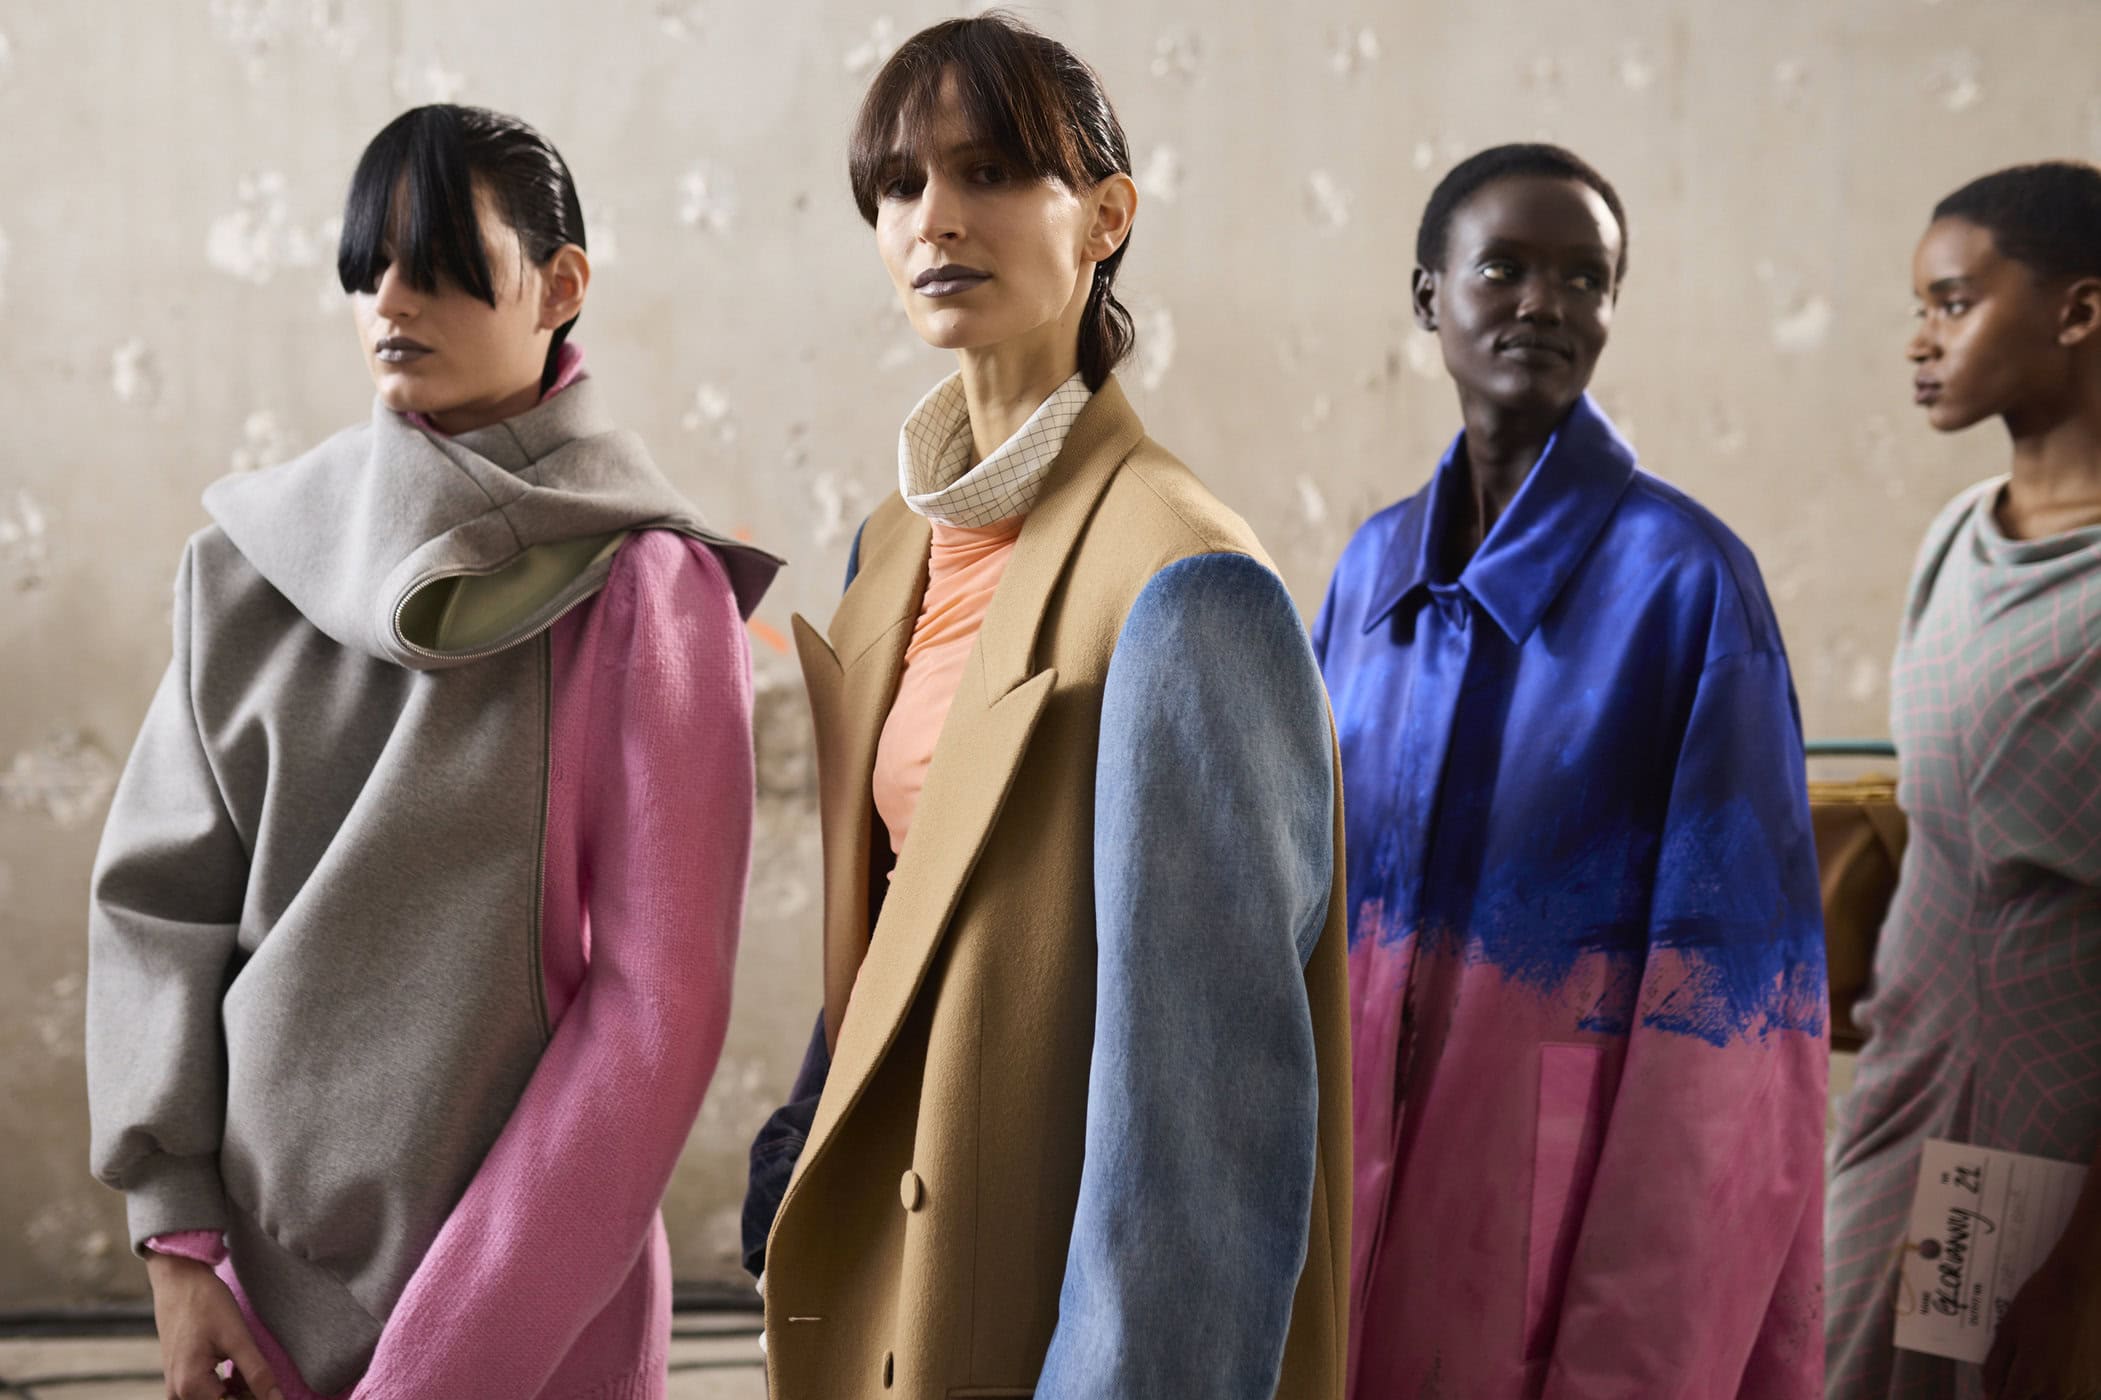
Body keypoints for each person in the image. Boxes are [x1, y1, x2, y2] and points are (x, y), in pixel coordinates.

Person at [85, 103, 779, 1400]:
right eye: (370, 265)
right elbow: (159, 906)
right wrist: (176, 1241)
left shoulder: (647, 586)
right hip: (254, 1306)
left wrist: (444, 1364)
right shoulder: (242, 567)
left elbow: (655, 1015)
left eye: (445, 264)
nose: (393, 299)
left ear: (561, 288)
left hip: (533, 1311)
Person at [740, 15, 1349, 1398]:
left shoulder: (1186, 582)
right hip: (886, 1292)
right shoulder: (890, 548)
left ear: (1106, 217)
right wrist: (801, 1137)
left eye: (991, 172)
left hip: (1037, 1319)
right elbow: (901, 920)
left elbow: (1203, 1155)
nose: (935, 218)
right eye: (898, 184)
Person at [1315, 143, 1828, 1398]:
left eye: (1583, 278)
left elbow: (1731, 1033)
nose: (1544, 302)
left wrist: (1634, 1360)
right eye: (1503, 268)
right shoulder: (1371, 575)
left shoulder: (1688, 586)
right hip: (1340, 1247)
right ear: (1430, 296)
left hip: (1550, 1262)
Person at [1827, 160, 2101, 1400]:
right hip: (1903, 1068)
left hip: (2031, 1109)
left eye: (1952, 302)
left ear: (2077, 312)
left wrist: (2076, 1245)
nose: (1919, 340)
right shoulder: (1958, 533)